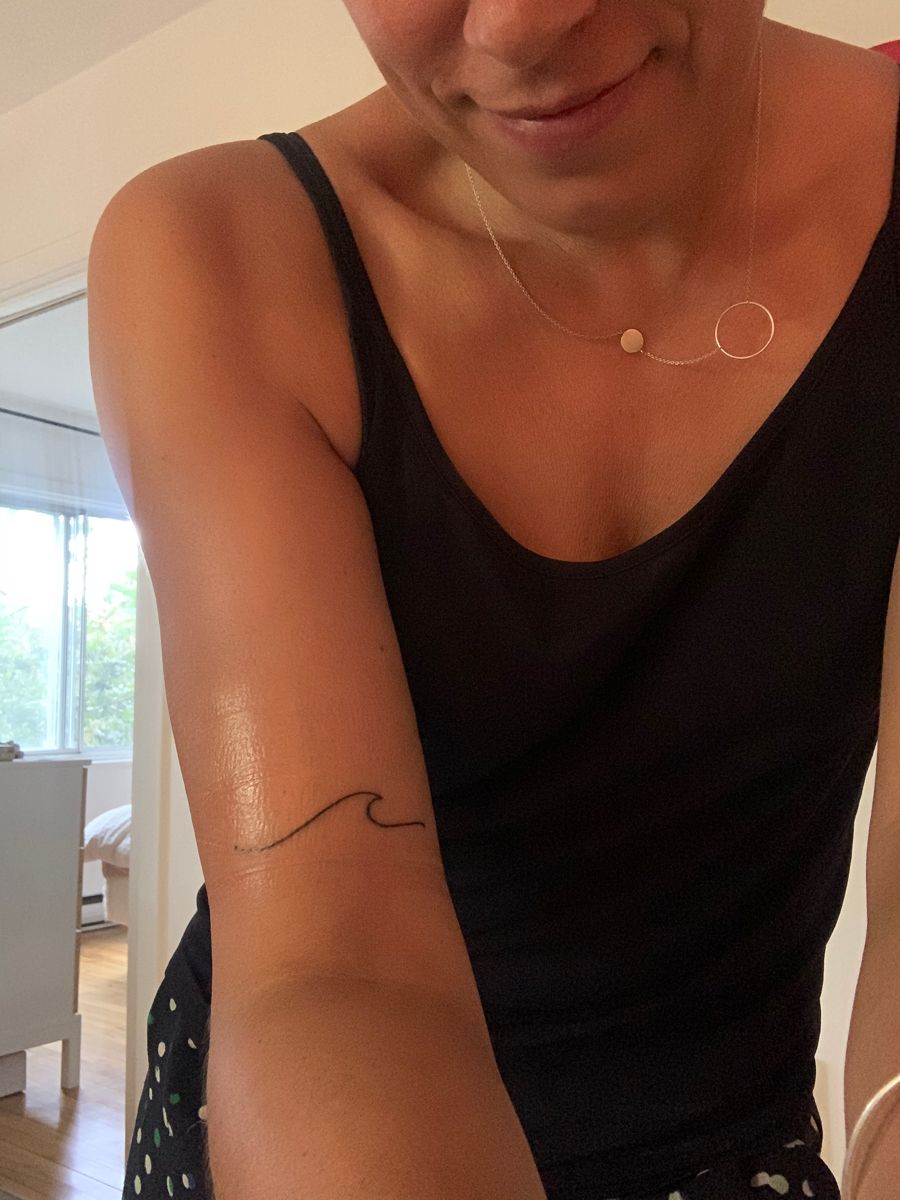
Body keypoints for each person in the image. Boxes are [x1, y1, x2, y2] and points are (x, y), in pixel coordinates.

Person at [86, 4, 900, 1199]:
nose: (522, 25)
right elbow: (331, 954)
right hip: (310, 1140)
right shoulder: (219, 252)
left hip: (725, 1146)